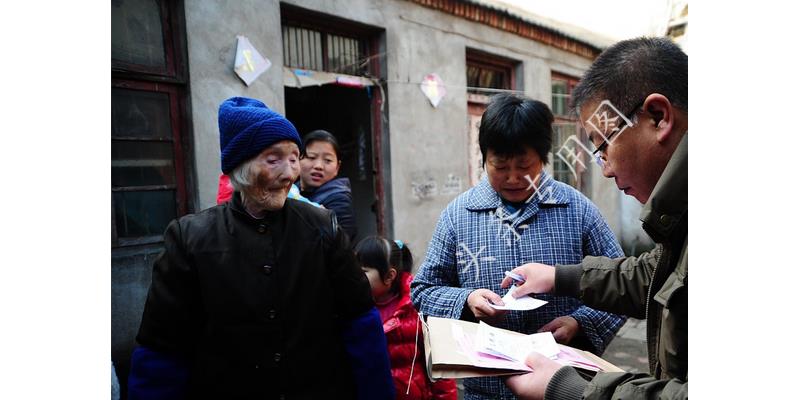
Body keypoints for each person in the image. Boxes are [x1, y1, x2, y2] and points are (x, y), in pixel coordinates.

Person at [128, 97, 394, 400]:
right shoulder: (189, 238)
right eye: (273, 159)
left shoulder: (323, 228)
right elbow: (162, 349)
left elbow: (360, 325)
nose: (289, 173)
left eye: (293, 158)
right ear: (240, 165)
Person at [503, 37, 688, 400]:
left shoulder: (577, 206)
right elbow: (657, 274)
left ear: (658, 117)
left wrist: (572, 390)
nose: (605, 169)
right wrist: (558, 276)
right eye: (500, 165)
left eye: (603, 146)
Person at [410, 93, 626, 400]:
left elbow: (622, 286)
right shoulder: (458, 216)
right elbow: (423, 291)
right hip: (486, 393)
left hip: (566, 388)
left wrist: (578, 322)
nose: (513, 178)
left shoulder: (576, 209)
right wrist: (467, 300)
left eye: (524, 165)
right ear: (484, 158)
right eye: (500, 166)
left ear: (543, 158)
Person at [355, 236, 457, 400]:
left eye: (363, 272)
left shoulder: (417, 308)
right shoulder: (354, 309)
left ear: (389, 276)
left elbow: (439, 367)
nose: (355, 277)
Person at [298, 129, 357, 241]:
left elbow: (342, 243)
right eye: (311, 157)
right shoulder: (290, 190)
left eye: (328, 160)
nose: (318, 166)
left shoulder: (339, 199)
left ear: (337, 167)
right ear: (297, 159)